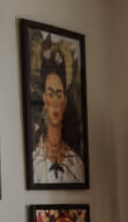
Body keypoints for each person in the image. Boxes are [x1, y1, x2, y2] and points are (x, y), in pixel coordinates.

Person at [29, 55, 86, 185]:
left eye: (59, 94)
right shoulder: (34, 160)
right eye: (50, 94)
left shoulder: (76, 164)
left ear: (65, 101)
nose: (55, 101)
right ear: (44, 99)